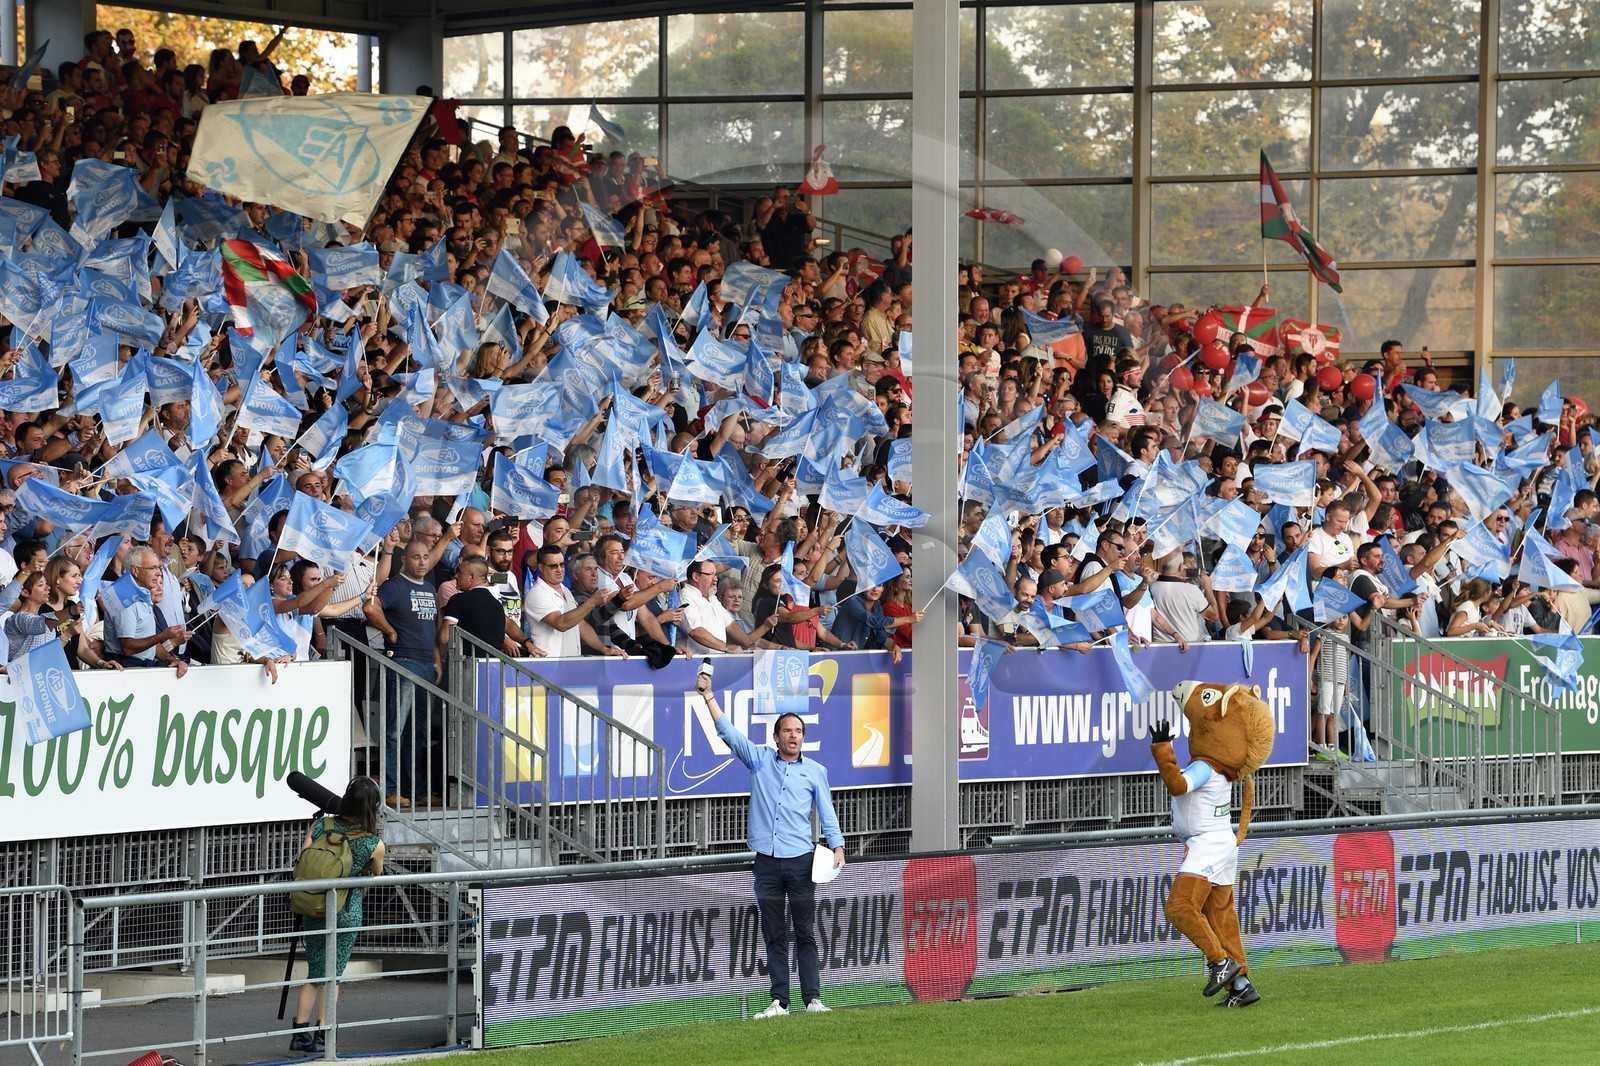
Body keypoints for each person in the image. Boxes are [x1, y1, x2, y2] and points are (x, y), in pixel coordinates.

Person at [696, 668, 843, 1017]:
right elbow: (729, 734)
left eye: (798, 731)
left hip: (803, 862)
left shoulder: (815, 771)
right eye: (787, 731)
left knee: (805, 932)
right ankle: (780, 1002)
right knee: (774, 934)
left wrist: (837, 846)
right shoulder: (759, 760)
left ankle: (813, 1000)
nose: (794, 736)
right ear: (776, 737)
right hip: (766, 862)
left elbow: (827, 811)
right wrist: (708, 696)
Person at [289, 776, 385, 1054]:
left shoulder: (321, 825)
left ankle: (299, 1033)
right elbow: (377, 873)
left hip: (313, 906)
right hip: (345, 910)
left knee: (315, 972)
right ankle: (323, 1034)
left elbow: (303, 861)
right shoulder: (373, 843)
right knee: (333, 976)